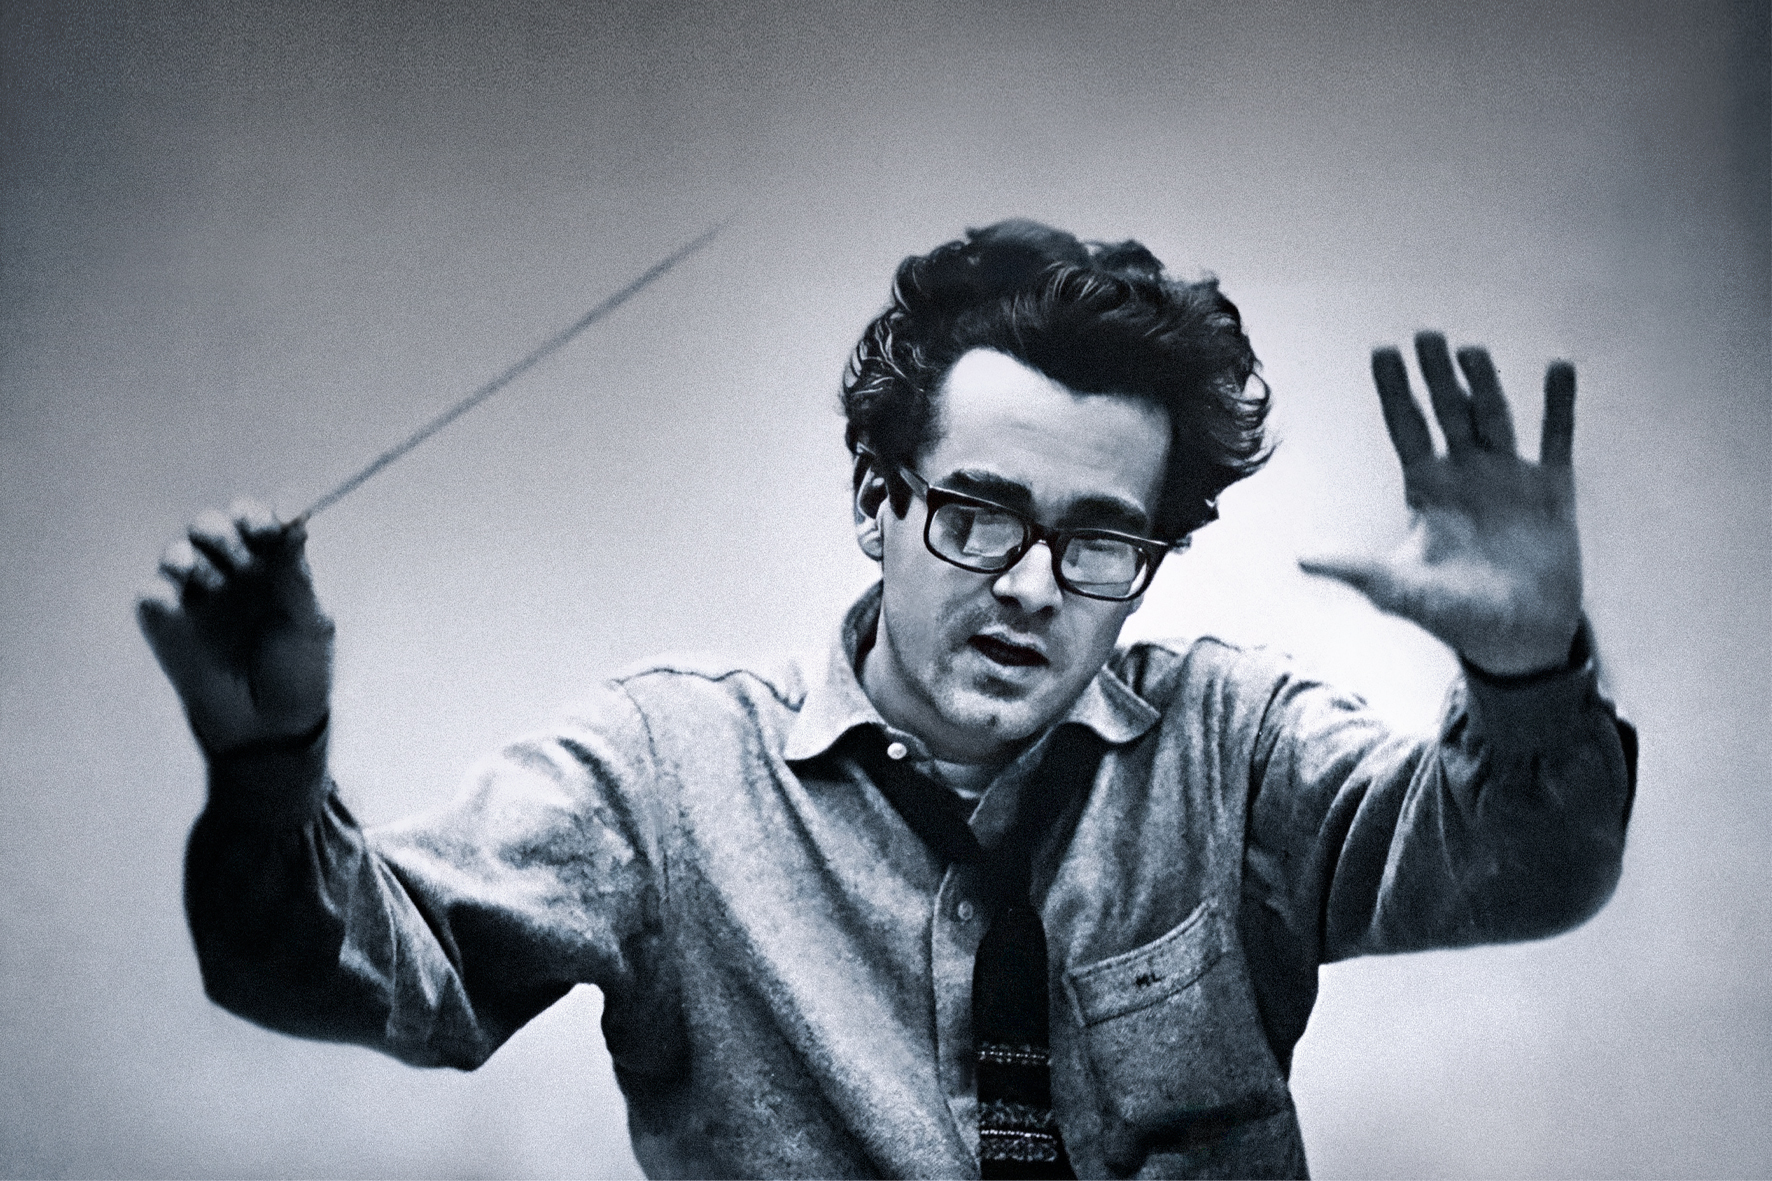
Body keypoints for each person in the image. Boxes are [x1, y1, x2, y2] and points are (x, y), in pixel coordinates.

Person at [139, 220, 1635, 1180]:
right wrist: (270, 767)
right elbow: (353, 971)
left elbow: (1525, 866)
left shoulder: (1230, 751)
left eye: (1099, 540)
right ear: (877, 501)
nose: (1033, 586)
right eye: (978, 514)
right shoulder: (665, 776)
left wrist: (1528, 669)